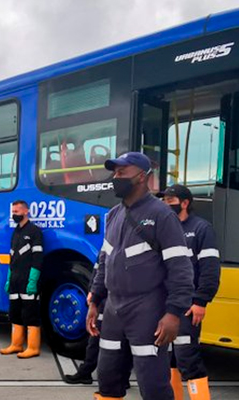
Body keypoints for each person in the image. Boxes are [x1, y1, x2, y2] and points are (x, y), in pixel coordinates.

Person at [88, 152, 194, 400]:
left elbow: (181, 268)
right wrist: (95, 301)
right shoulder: (113, 214)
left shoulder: (162, 215)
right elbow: (104, 260)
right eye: (115, 172)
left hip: (147, 308)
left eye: (122, 172)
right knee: (108, 376)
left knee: (153, 383)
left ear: (142, 177)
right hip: (114, 307)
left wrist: (173, 314)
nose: (116, 177)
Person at [158, 184, 221, 400]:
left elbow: (210, 269)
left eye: (170, 200)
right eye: (164, 200)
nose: (166, 204)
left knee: (187, 357)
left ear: (185, 203)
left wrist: (201, 301)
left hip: (188, 305)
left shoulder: (202, 229)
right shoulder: (165, 228)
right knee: (168, 358)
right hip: (166, 303)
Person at [0, 200, 45, 359]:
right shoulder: (16, 232)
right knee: (15, 313)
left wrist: (33, 281)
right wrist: (9, 278)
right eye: (13, 212)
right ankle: (16, 344)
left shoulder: (34, 231)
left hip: (28, 280)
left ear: (26, 211)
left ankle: (33, 347)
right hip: (16, 280)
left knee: (31, 314)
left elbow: (37, 258)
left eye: (17, 212)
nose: (14, 215)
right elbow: (12, 258)